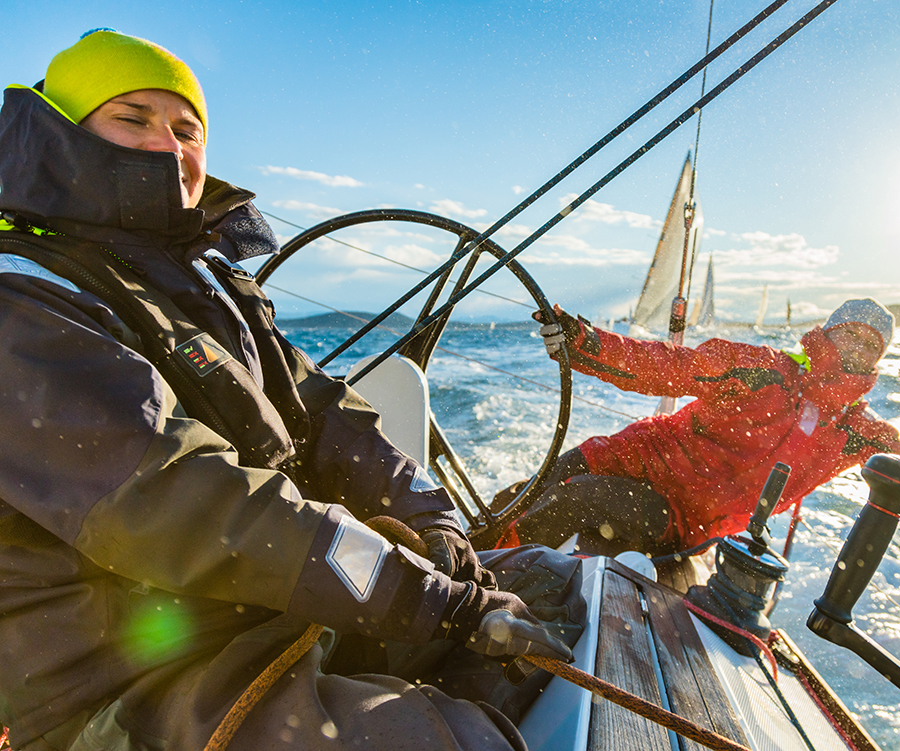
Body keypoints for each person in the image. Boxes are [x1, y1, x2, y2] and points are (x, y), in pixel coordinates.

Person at [0, 30, 582, 751]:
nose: (166, 145)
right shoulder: (24, 300)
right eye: (132, 118)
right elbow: (180, 494)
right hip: (127, 684)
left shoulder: (215, 287)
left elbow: (329, 417)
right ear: (61, 132)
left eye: (186, 129)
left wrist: (435, 525)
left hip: (266, 615)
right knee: (452, 741)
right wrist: (420, 598)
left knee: (553, 585)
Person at [494, 299, 900, 556]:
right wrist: (587, 343)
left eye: (871, 345)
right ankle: (455, 557)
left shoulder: (858, 434)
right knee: (523, 495)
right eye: (850, 332)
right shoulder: (763, 370)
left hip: (680, 514)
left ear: (877, 361)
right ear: (826, 332)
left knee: (576, 500)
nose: (857, 347)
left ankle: (480, 591)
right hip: (630, 453)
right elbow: (670, 366)